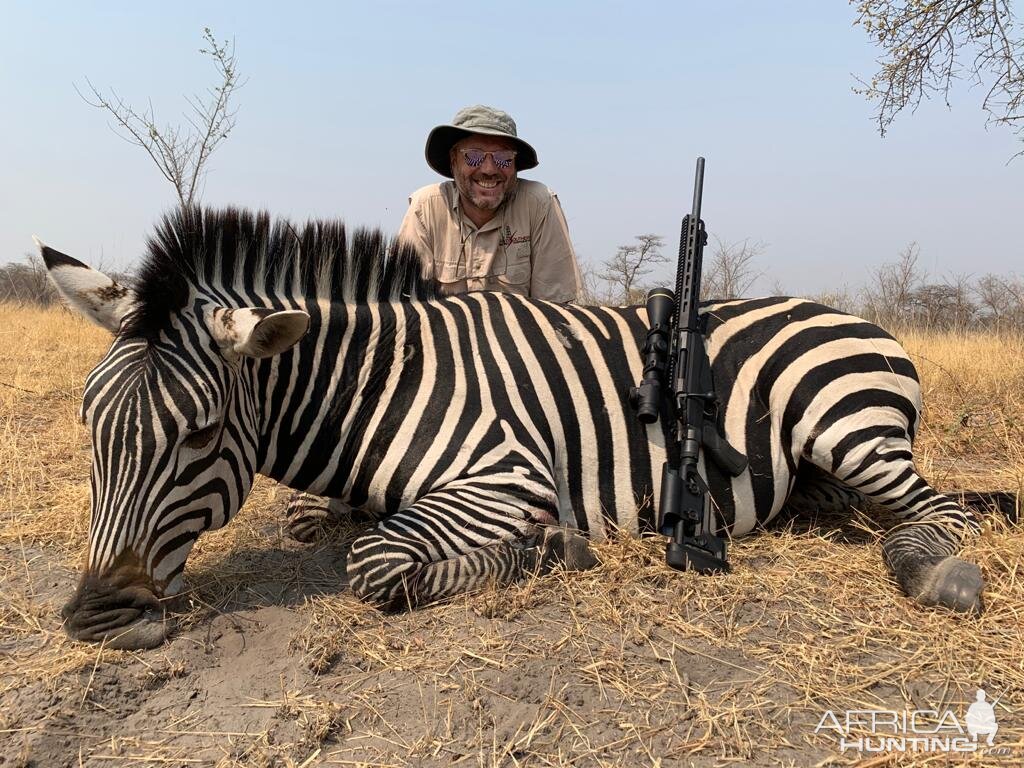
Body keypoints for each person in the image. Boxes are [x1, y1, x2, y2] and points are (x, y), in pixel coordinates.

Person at [398, 104, 582, 303]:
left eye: (503, 158)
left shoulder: (539, 204)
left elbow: (557, 308)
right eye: (473, 156)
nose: (489, 169)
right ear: (453, 161)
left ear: (515, 165)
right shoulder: (425, 208)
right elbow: (408, 309)